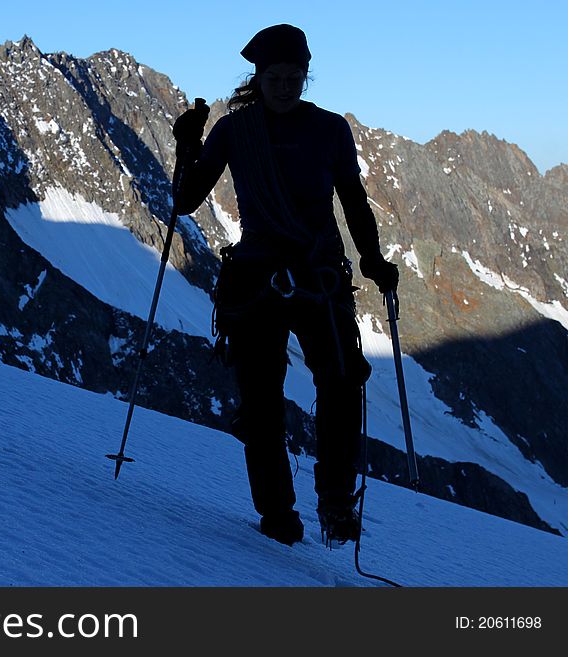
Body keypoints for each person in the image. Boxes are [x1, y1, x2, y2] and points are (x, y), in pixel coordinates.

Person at [172, 24, 398, 546]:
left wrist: (374, 258)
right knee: (273, 400)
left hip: (278, 279)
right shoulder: (235, 131)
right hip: (288, 278)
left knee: (327, 388)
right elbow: (186, 201)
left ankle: (330, 504)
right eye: (276, 77)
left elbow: (355, 201)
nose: (286, 86)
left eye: (295, 77)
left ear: (305, 75)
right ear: (259, 75)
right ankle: (282, 515)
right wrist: (189, 146)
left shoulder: (324, 129)